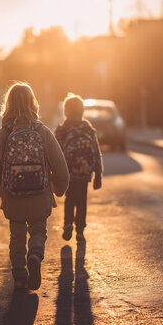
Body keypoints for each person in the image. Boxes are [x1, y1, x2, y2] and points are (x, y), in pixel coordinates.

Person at [0, 83, 69, 290]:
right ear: (33, 103)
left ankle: (19, 271)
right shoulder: (43, 132)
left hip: (13, 197)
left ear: (8, 105)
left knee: (17, 234)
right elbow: (60, 165)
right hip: (40, 195)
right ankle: (35, 255)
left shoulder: (2, 135)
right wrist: (59, 188)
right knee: (38, 229)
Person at [54, 94, 103, 243]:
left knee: (69, 199)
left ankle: (68, 224)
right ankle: (80, 231)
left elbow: (55, 153)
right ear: (82, 111)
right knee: (82, 201)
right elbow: (96, 151)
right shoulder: (87, 128)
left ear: (65, 111)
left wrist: (53, 174)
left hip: (68, 172)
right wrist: (98, 174)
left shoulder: (62, 130)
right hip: (84, 172)